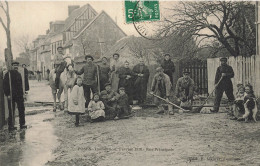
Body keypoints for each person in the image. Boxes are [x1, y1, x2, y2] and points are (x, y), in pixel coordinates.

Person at [3, 61, 27, 131]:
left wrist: (23, 94)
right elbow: (5, 85)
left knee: (21, 109)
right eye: (14, 65)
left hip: (19, 95)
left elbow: (20, 86)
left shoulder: (19, 74)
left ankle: (22, 124)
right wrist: (7, 94)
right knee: (11, 110)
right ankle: (11, 125)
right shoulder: (8, 74)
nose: (16, 67)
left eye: (17, 65)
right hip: (11, 95)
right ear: (12, 66)